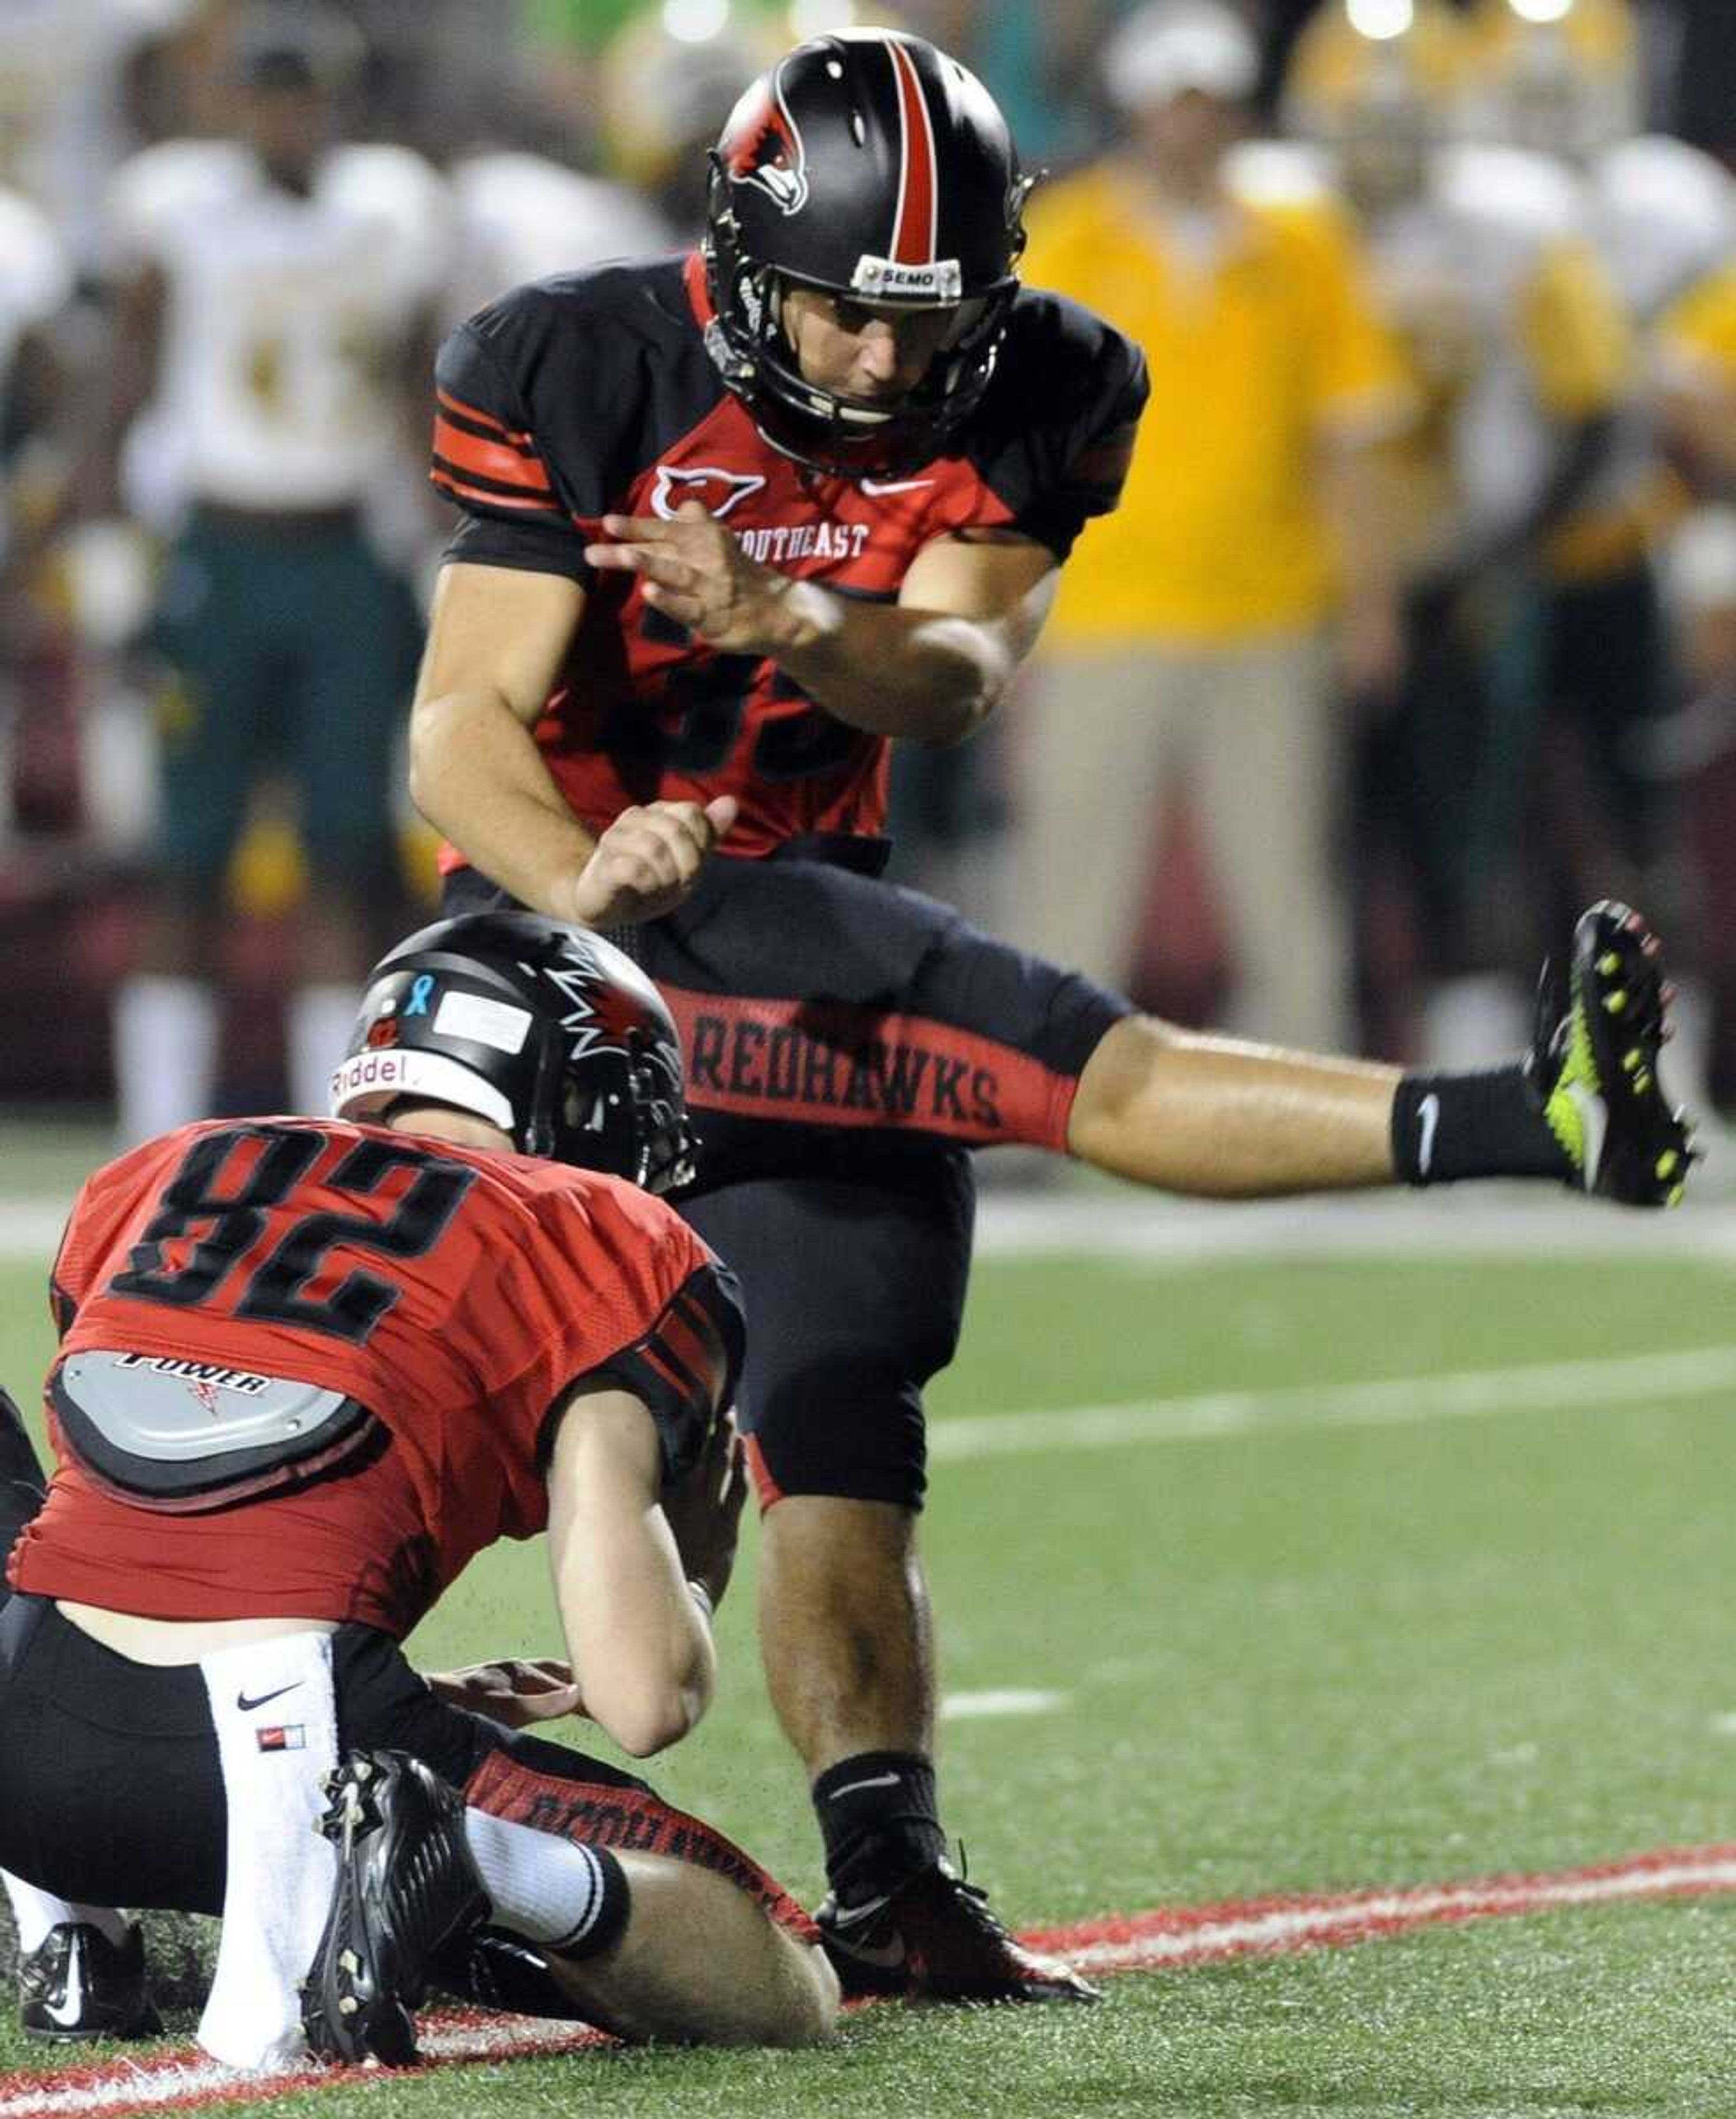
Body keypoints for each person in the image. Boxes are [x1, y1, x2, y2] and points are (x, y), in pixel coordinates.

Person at [407, 26, 1696, 2007]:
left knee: (842, 1398)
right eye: (841, 317)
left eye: (924, 324)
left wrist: (794, 618)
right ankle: (1529, 1119)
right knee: (1031, 1041)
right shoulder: (571, 361)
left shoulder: (1047, 380)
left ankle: (891, 1874)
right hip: (573, 960)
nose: (879, 369)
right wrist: (593, 891)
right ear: (749, 265)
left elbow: (953, 678)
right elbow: (457, 729)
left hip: (800, 906)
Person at [0, 911, 839, 2064]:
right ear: (572, 1094)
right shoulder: (600, 1232)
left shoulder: (164, 1167)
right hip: (267, 1758)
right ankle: (465, 1855)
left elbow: (155, 1528)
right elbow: (648, 1698)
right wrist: (698, 1545)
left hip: (22, 1704)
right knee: (783, 1978)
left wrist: (422, 1691)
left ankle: (69, 1932)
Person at [1013, 0, 1413, 1049]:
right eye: (1174, 103)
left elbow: (1354, 437)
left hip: (1267, 606)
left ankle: (1312, 1101)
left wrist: (1369, 601)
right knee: (1072, 874)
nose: (1190, 125)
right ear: (1139, 109)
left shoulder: (1303, 240)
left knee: (1284, 877)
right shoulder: (1068, 240)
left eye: (1210, 104)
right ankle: (1042, 1093)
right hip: (1107, 605)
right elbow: (1007, 451)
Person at [87, 0, 451, 1142]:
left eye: (306, 90)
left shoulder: (394, 207)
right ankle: (155, 1140)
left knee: (346, 857)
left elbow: (411, 395)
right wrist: (106, 555)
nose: (287, 113)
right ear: (232, 99)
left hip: (347, 554)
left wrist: (458, 544)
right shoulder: (177, 204)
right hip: (220, 552)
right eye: (269, 88)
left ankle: (334, 1137)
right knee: (186, 857)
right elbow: (126, 381)